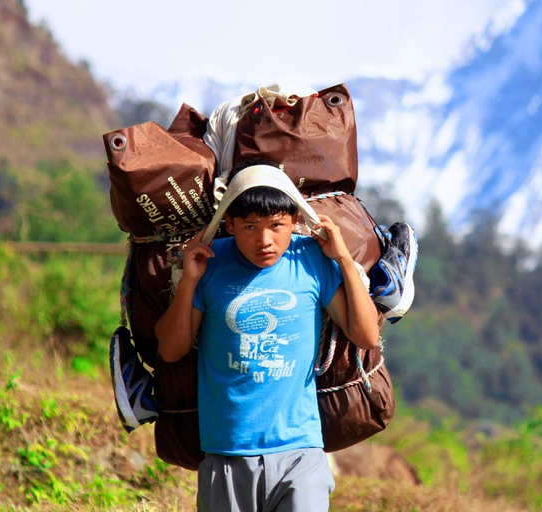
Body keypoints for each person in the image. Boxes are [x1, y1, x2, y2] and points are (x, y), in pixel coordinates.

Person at [154, 164, 379, 511]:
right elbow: (171, 350)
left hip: (299, 450)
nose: (264, 241)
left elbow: (365, 335)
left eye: (276, 226)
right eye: (250, 227)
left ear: (293, 222)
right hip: (227, 452)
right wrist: (188, 280)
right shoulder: (210, 266)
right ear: (229, 225)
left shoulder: (311, 261)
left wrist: (344, 258)